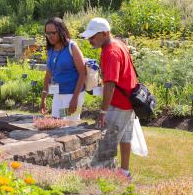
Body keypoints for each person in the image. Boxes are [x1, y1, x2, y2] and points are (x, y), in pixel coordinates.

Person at [80, 17, 137, 180]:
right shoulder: (118, 43)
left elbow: (110, 84)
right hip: (128, 100)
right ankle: (124, 172)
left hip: (119, 103)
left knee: (108, 141)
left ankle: (101, 176)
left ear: (105, 33)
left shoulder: (111, 51)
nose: (90, 40)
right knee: (125, 137)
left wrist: (103, 111)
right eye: (89, 36)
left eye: (93, 36)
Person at [40, 17, 86, 120]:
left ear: (61, 31)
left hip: (72, 95)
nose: (50, 36)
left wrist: (75, 99)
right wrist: (43, 97)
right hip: (58, 94)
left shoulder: (72, 47)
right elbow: (48, 74)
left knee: (69, 127)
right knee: (56, 123)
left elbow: (83, 73)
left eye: (53, 33)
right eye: (47, 33)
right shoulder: (50, 49)